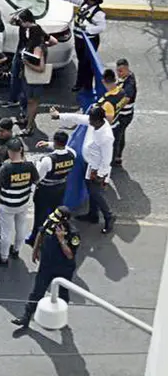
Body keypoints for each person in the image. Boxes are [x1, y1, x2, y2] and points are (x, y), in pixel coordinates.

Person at [11, 206, 81, 328]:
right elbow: (41, 232)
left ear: (64, 220)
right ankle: (26, 317)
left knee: (63, 295)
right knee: (37, 292)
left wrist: (61, 240)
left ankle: (60, 318)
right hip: (47, 266)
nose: (53, 222)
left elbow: (70, 255)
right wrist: (35, 249)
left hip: (63, 269)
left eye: (56, 220)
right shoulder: (50, 222)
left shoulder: (73, 234)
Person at [51, 105, 115, 233]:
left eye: (91, 121)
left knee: (96, 193)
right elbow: (79, 118)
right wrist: (59, 116)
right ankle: (93, 215)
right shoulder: (96, 123)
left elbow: (107, 159)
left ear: (98, 120)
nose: (89, 122)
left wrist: (100, 175)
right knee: (92, 192)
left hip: (97, 169)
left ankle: (109, 216)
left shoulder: (106, 136)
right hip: (90, 165)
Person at [45, 0, 106, 92]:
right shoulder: (84, 3)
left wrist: (87, 29)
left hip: (89, 41)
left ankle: (87, 86)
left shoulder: (98, 14)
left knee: (87, 63)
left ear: (93, 1)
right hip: (79, 39)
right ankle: (80, 83)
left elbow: (101, 27)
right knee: (81, 61)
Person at [0, 138, 38, 266]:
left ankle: (4, 257)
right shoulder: (30, 166)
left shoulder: (6, 167)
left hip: (7, 204)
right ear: (21, 150)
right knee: (21, 227)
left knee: (6, 232)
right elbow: (36, 181)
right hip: (23, 202)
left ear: (9, 152)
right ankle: (16, 250)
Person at [29, 131, 76, 244]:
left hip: (45, 191)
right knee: (56, 214)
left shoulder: (48, 160)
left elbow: (38, 178)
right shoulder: (72, 154)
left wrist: (37, 165)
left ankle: (35, 238)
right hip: (60, 188)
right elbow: (65, 148)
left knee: (40, 216)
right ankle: (52, 234)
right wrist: (48, 144)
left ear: (55, 141)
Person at [113, 58, 137, 166]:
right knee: (120, 135)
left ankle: (115, 158)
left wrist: (114, 107)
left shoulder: (129, 83)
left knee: (117, 137)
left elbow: (126, 99)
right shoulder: (125, 78)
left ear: (127, 69)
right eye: (117, 71)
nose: (118, 73)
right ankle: (117, 156)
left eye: (121, 71)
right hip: (122, 114)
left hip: (124, 115)